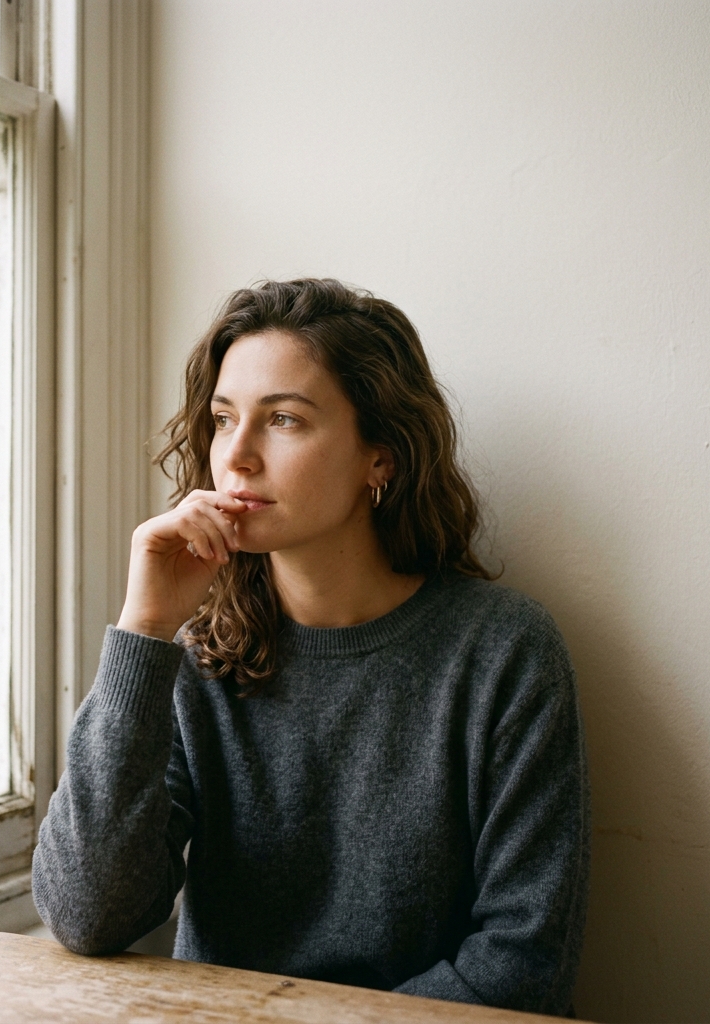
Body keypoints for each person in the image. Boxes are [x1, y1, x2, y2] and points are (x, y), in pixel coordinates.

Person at [32, 278, 590, 1015]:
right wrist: (144, 630)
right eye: (223, 419)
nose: (237, 456)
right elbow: (86, 914)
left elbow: (523, 965)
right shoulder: (198, 656)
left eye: (284, 420)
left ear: (381, 458)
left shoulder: (504, 654)